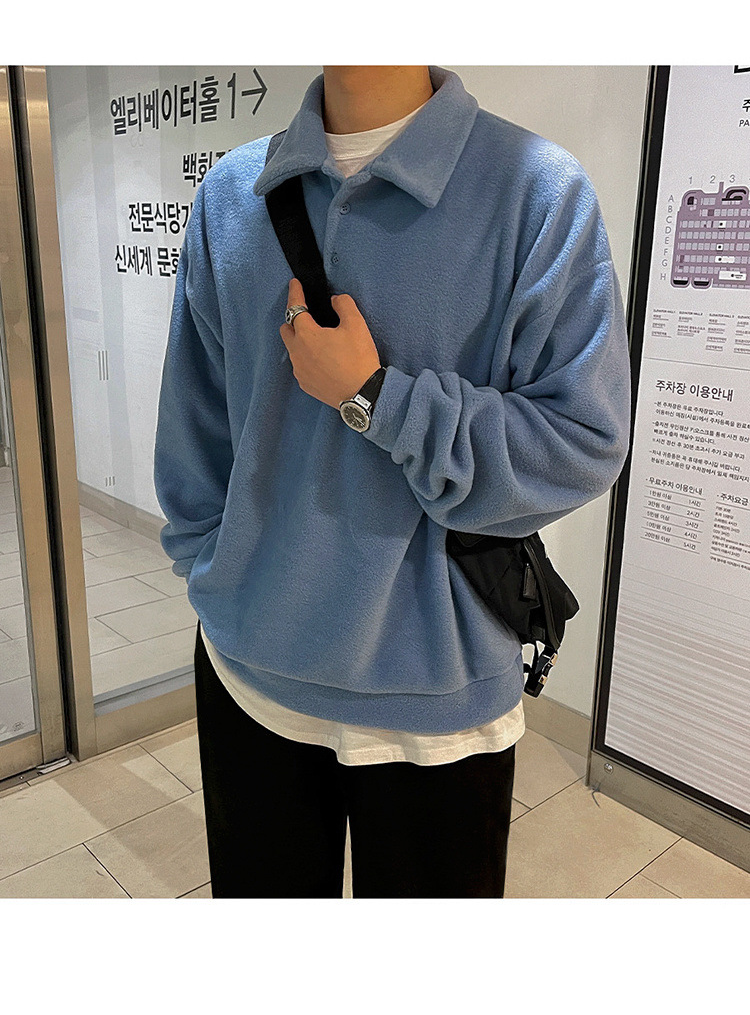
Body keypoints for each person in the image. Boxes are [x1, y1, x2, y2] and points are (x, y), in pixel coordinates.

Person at [153, 65, 632, 898]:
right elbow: (195, 429)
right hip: (249, 673)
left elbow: (582, 440)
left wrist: (378, 399)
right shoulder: (232, 194)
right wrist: (217, 577)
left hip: (440, 702)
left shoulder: (535, 192)